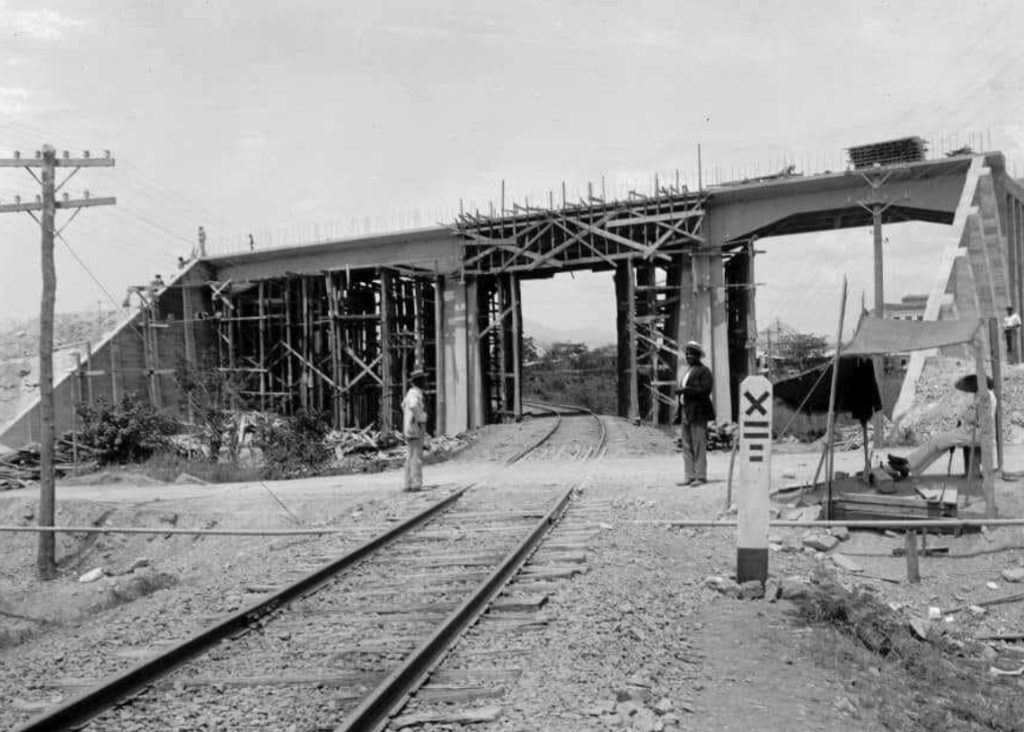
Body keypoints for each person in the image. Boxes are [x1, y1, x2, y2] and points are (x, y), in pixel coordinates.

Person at [675, 341, 715, 486]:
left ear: (698, 355)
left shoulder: (704, 371)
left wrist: (685, 390)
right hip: (686, 411)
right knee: (686, 445)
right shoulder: (688, 371)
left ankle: (701, 476)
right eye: (686, 354)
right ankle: (689, 475)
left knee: (698, 444)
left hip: (698, 412)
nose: (688, 356)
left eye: (691, 353)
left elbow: (705, 390)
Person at [401, 369, 428, 491]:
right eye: (424, 380)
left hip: (408, 428)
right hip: (415, 428)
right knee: (416, 457)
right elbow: (412, 405)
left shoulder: (409, 393)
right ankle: (416, 484)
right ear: (419, 381)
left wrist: (408, 418)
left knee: (409, 457)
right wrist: (420, 417)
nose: (426, 382)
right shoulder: (416, 394)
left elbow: (403, 405)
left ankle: (408, 484)